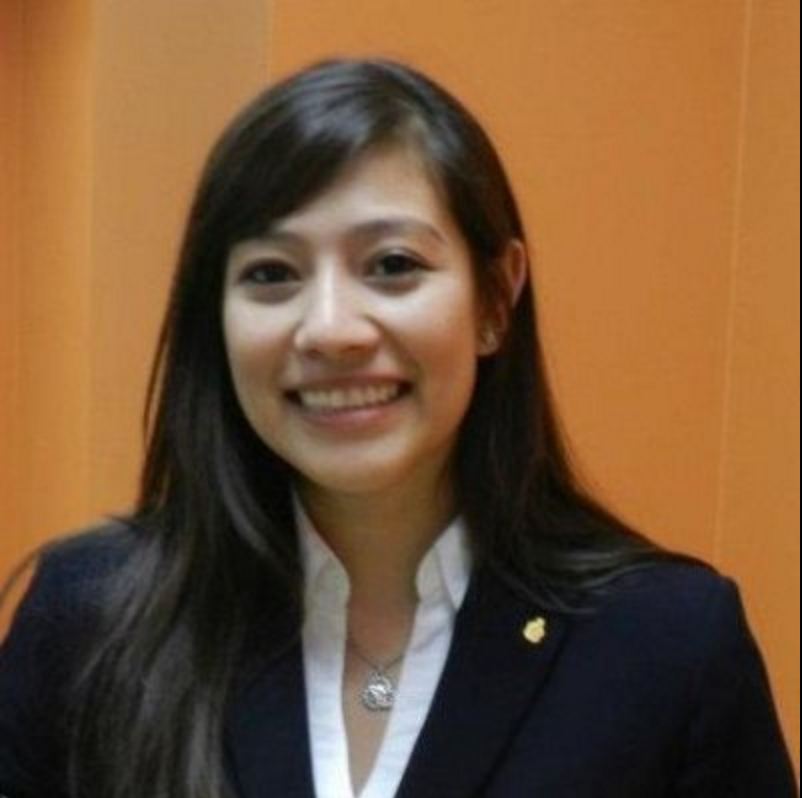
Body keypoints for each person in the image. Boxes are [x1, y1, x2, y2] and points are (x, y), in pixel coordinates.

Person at [0, 59, 797, 798]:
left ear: (495, 299)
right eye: (271, 274)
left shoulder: (669, 647)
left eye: (392, 265)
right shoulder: (87, 622)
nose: (331, 329)